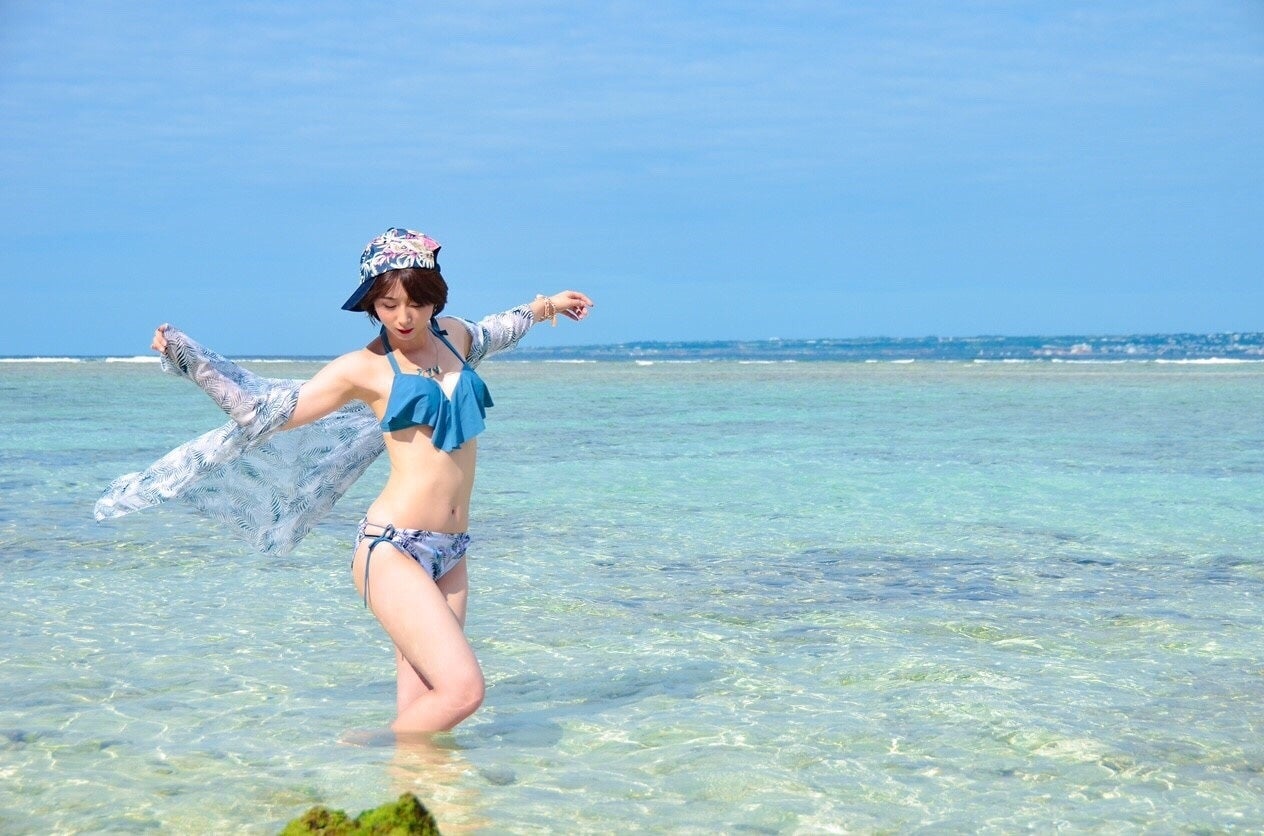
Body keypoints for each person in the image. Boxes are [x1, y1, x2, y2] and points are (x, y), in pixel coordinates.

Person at [145, 227, 594, 734]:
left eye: (416, 303)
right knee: (463, 692)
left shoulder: (456, 338)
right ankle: (361, 746)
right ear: (371, 305)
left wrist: (547, 306)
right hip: (393, 548)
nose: (403, 317)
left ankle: (407, 780)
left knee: (428, 712)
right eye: (387, 305)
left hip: (452, 551)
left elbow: (499, 328)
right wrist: (189, 360)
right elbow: (260, 411)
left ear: (434, 298)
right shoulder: (363, 368)